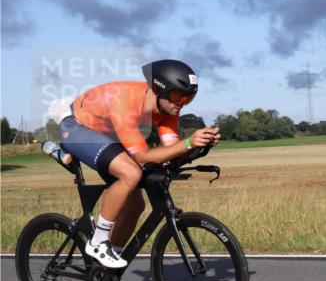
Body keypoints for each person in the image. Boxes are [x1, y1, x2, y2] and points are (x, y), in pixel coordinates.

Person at [59, 60, 220, 268]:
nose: (182, 103)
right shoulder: (125, 102)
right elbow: (143, 157)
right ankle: (98, 241)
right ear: (159, 90)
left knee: (136, 204)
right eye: (178, 96)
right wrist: (189, 142)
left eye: (188, 98)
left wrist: (200, 145)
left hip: (108, 135)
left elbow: (171, 149)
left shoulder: (168, 109)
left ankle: (105, 272)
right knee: (131, 173)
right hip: (77, 129)